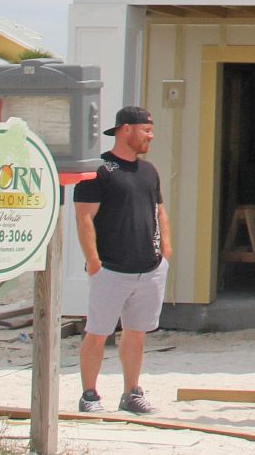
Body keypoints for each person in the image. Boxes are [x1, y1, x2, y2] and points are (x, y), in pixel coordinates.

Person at [74, 105, 170, 415]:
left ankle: (132, 393)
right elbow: (84, 217)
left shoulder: (149, 171)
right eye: (146, 129)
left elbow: (160, 212)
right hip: (111, 268)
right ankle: (89, 395)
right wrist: (93, 260)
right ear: (125, 129)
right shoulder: (98, 168)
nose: (150, 136)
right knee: (98, 333)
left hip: (149, 267)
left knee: (136, 333)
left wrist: (165, 251)